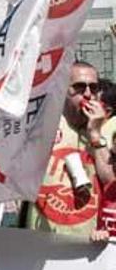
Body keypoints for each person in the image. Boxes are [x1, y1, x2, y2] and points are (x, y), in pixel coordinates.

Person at [25, 61, 115, 241]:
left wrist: (95, 133)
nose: (88, 94)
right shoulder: (42, 125)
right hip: (43, 238)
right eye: (79, 87)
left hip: (91, 241)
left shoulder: (110, 128)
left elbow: (110, 181)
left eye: (93, 88)